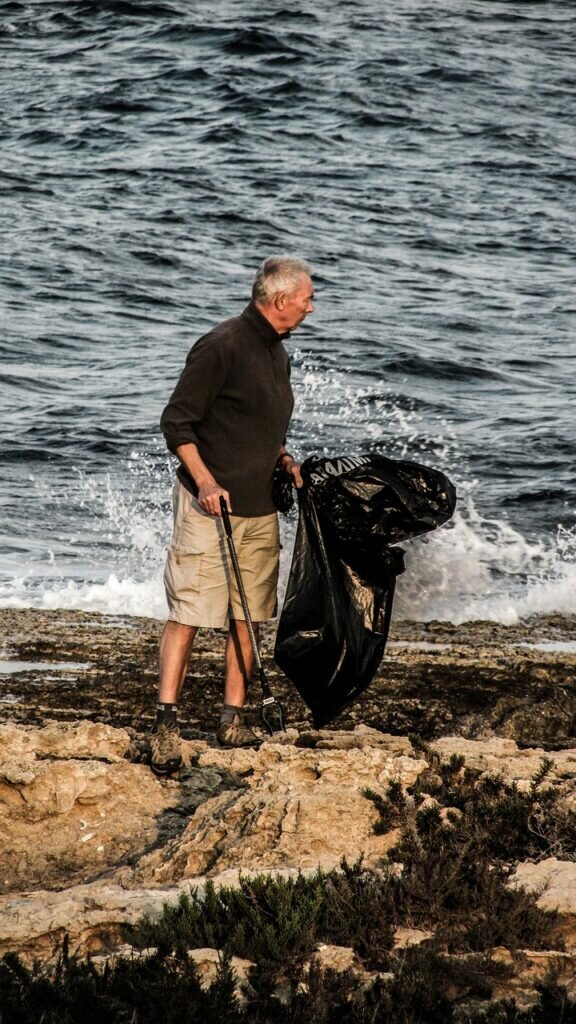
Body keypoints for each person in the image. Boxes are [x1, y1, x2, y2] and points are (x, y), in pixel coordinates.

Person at [150, 256, 314, 776]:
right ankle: (165, 724)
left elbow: (262, 425)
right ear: (281, 300)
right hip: (209, 505)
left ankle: (232, 719)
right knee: (190, 612)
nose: (312, 305)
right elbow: (177, 422)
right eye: (307, 297)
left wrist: (283, 458)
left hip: (259, 507)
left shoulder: (277, 353)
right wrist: (204, 481)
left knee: (249, 617)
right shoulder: (221, 345)